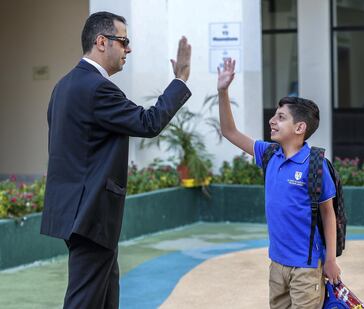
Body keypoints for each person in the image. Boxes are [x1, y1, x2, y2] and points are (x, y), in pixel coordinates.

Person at [40, 11, 191, 309]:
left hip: (76, 212)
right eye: (123, 41)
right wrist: (180, 80)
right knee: (85, 301)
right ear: (101, 42)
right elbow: (149, 123)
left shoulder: (63, 86)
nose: (128, 49)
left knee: (107, 296)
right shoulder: (98, 88)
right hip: (91, 214)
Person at [217, 58, 341, 309]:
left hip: (306, 267)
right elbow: (229, 131)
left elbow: (329, 215)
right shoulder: (269, 154)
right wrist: (223, 91)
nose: (272, 120)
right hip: (277, 264)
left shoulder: (314, 165)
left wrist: (330, 260)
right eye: (274, 115)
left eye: (281, 117)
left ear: (300, 127)